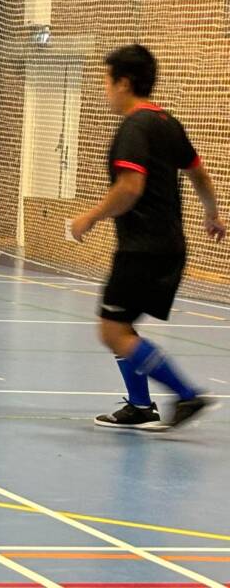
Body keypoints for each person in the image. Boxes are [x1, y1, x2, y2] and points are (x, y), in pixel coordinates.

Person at [71, 44, 225, 429]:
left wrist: (89, 217)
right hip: (169, 246)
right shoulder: (167, 123)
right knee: (122, 326)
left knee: (112, 330)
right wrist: (212, 214)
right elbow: (199, 173)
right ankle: (140, 406)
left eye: (106, 81)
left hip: (143, 249)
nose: (105, 89)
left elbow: (130, 187)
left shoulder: (135, 127)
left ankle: (187, 395)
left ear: (123, 83)